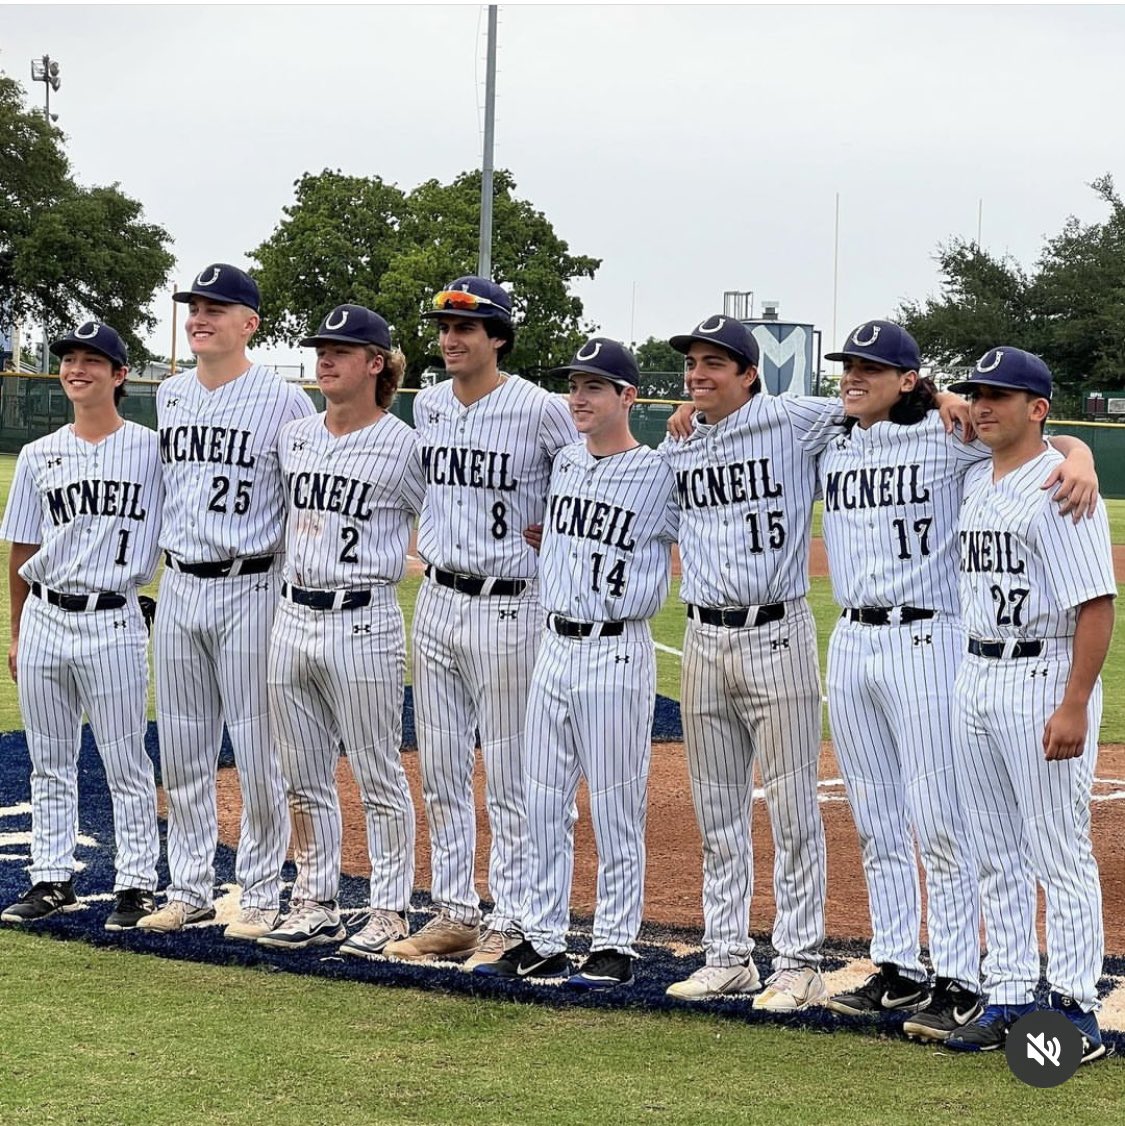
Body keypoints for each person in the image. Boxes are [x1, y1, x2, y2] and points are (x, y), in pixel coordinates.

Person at [812, 322, 1098, 1040]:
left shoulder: (955, 445)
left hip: (947, 643)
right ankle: (914, 969)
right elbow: (737, 412)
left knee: (966, 827)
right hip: (869, 641)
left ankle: (1008, 992)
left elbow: (1042, 445)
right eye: (847, 365)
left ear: (906, 379)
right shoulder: (834, 432)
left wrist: (1080, 449)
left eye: (870, 367)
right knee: (887, 820)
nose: (853, 376)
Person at [383, 276, 577, 966]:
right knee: (440, 766)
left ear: (497, 337)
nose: (449, 339)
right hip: (437, 597)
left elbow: (591, 469)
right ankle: (457, 910)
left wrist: (557, 525)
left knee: (510, 769)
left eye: (465, 328)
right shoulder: (429, 405)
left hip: (510, 601)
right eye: (443, 327)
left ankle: (516, 914)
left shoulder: (538, 407)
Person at [475, 338, 678, 989]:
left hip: (617, 647)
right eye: (575, 386)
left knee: (615, 804)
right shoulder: (564, 462)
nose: (579, 397)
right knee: (542, 804)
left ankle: (614, 941)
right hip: (554, 644)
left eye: (595, 386)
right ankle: (541, 933)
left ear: (627, 396)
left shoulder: (658, 471)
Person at [659, 315, 842, 1010]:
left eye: (714, 363)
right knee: (717, 812)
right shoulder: (681, 446)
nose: (698, 374)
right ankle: (727, 954)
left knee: (793, 808)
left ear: (747, 373)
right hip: (702, 637)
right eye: (691, 365)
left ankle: (797, 960)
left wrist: (942, 399)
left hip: (777, 633)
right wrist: (690, 413)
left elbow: (871, 404)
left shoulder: (793, 420)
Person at [944, 347, 1114, 1062]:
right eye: (977, 393)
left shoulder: (1061, 487)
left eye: (1001, 395)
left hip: (1041, 672)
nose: (983, 405)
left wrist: (1073, 704)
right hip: (975, 674)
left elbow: (1096, 604)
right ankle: (1009, 991)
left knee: (1056, 848)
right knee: (991, 847)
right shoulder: (977, 480)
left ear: (1036, 408)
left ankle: (1075, 1008)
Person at [139, 263, 315, 938]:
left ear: (250, 323)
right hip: (180, 583)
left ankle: (263, 890)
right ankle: (187, 887)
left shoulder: (282, 400)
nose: (199, 317)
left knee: (257, 748)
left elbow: (307, 499)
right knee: (182, 749)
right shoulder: (171, 395)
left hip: (251, 583)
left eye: (216, 308)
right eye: (193, 307)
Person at [257, 304, 424, 955]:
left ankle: (387, 909)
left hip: (363, 619)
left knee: (377, 773)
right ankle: (315, 900)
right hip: (292, 613)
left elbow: (444, 518)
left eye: (341, 350)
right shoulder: (295, 435)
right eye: (321, 349)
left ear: (375, 364)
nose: (324, 359)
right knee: (303, 774)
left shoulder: (405, 444)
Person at [0, 322, 163, 931]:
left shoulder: (152, 451)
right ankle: (50, 877)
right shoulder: (41, 455)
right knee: (49, 758)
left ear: (120, 376)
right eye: (69, 358)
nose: (77, 368)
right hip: (45, 615)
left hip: (114, 616)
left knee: (125, 758)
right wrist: (18, 633)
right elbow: (22, 550)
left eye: (93, 360)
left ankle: (138, 882)